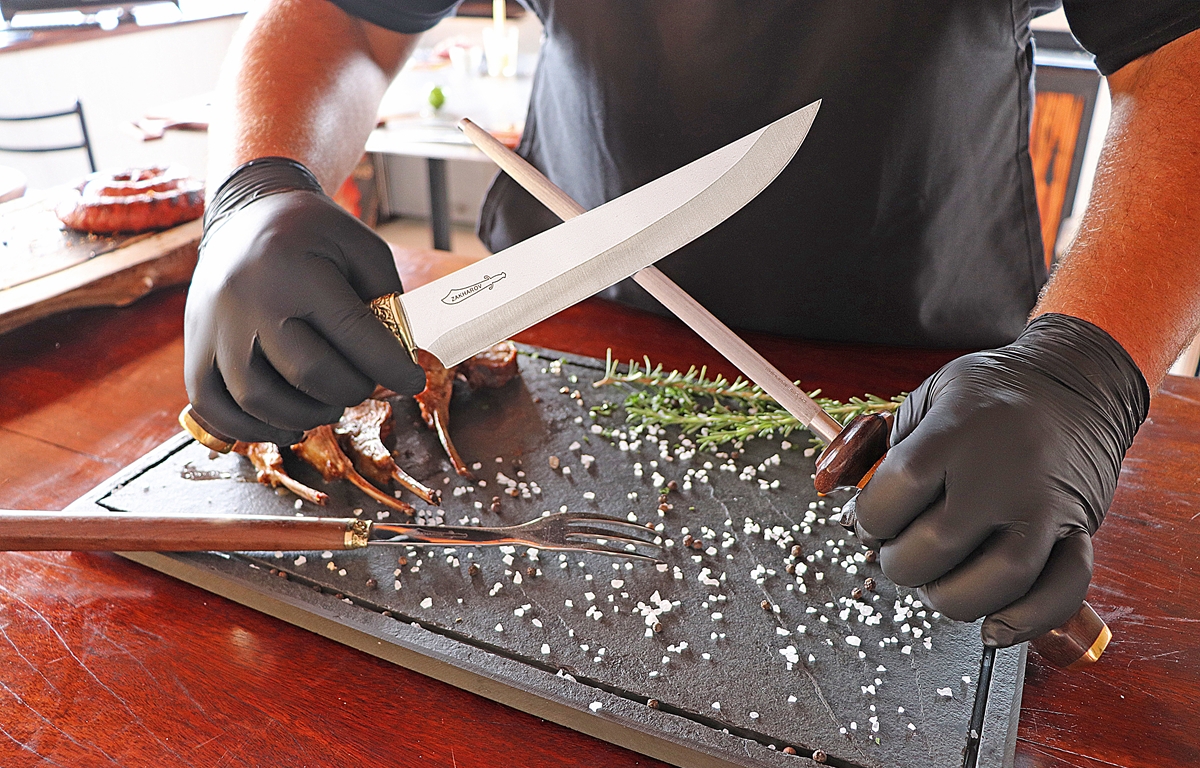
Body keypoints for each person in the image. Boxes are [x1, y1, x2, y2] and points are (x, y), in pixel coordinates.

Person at [184, 0, 1200, 649]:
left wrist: (1080, 367)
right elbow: (352, 20)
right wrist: (258, 186)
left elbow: (1176, 54)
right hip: (560, 338)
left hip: (940, 372)